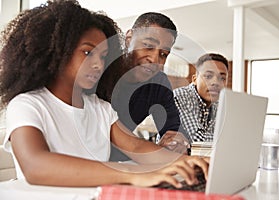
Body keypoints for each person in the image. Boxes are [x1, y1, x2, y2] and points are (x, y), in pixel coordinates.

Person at [0, 0, 208, 187]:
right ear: (57, 50)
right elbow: (36, 166)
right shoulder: (27, 105)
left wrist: (188, 162)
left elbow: (136, 146)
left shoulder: (100, 108)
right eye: (88, 52)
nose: (99, 64)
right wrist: (133, 173)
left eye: (103, 56)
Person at [97, 12, 189, 161]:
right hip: (85, 160)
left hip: (126, 163)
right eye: (148, 46)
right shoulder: (100, 70)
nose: (154, 59)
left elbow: (173, 129)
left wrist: (177, 142)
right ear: (128, 39)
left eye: (164, 54)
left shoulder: (158, 83)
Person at [173, 53, 228, 142]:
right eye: (208, 76)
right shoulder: (181, 96)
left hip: (205, 155)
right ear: (194, 79)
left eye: (222, 78)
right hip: (174, 155)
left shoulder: (219, 104)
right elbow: (196, 140)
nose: (215, 82)